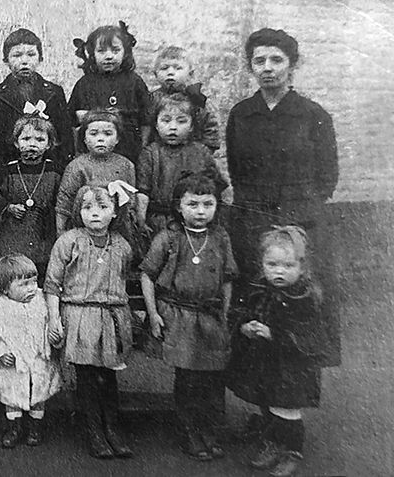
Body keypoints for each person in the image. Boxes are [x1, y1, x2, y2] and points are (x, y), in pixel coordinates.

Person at [225, 28, 339, 368]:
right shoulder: (242, 114)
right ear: (250, 66)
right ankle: (259, 395)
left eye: (276, 60)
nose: (268, 68)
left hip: (300, 221)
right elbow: (236, 170)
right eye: (259, 61)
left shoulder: (313, 114)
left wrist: (299, 208)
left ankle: (296, 396)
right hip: (253, 221)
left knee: (298, 303)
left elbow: (328, 175)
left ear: (292, 65)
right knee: (255, 304)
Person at [140, 175, 237, 461]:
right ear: (178, 207)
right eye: (192, 204)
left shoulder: (220, 237)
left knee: (212, 376)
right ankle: (189, 432)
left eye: (208, 204)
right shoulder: (169, 237)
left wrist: (225, 313)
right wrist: (153, 313)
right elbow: (147, 275)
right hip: (179, 316)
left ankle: (209, 430)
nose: (200, 211)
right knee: (189, 378)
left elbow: (227, 278)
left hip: (210, 316)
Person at [227, 226, 327, 477]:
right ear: (262, 264)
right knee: (269, 405)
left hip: (292, 370)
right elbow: (246, 313)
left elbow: (309, 336)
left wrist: (275, 334)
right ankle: (273, 443)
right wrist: (246, 327)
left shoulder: (304, 298)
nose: (279, 271)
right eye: (272, 265)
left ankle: (292, 451)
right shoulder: (261, 289)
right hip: (267, 364)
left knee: (287, 411)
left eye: (288, 266)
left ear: (302, 267)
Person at [45, 185, 135, 459]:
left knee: (108, 375)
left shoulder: (121, 245)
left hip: (111, 317)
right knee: (86, 376)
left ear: (114, 212)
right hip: (80, 316)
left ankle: (113, 429)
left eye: (103, 207)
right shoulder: (69, 241)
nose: (95, 213)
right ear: (78, 211)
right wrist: (54, 319)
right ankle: (94, 431)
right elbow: (52, 284)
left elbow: (124, 275)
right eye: (88, 208)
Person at [0, 254, 62, 448]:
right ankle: (14, 428)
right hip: (14, 362)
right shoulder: (2, 307)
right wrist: (0, 353)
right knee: (12, 394)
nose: (31, 288)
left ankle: (35, 427)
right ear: (5, 288)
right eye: (23, 284)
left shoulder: (41, 302)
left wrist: (54, 338)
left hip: (38, 359)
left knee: (38, 393)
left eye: (34, 282)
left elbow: (50, 325)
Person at [136, 92, 226, 234]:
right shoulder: (150, 153)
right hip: (159, 221)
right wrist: (141, 221)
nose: (173, 127)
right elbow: (142, 191)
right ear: (156, 125)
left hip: (194, 219)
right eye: (166, 120)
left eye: (181, 121)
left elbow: (215, 189)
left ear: (191, 126)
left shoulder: (201, 152)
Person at [0, 28, 74, 171]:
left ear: (40, 59)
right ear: (6, 61)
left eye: (31, 54)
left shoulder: (54, 92)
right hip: (10, 170)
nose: (24, 61)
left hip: (47, 169)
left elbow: (64, 137)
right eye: (17, 55)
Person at [0, 115, 63, 282]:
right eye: (26, 139)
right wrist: (8, 207)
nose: (32, 144)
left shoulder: (55, 171)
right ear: (17, 143)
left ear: (49, 144)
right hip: (14, 232)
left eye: (40, 140)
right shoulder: (7, 171)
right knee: (13, 273)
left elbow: (61, 199)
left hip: (43, 231)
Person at [70, 21, 150, 163]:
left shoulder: (134, 81)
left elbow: (146, 118)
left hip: (128, 148)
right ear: (92, 54)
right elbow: (71, 119)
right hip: (93, 150)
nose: (109, 56)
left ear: (125, 53)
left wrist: (143, 148)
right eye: (101, 51)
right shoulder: (85, 83)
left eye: (115, 50)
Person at [55, 111, 138, 237]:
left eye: (108, 134)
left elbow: (130, 203)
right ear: (84, 138)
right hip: (84, 229)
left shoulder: (126, 165)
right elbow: (64, 204)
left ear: (117, 139)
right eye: (93, 134)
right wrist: (61, 233)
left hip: (117, 230)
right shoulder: (77, 166)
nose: (100, 138)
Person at [146, 46, 220, 151]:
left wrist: (206, 150)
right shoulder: (151, 99)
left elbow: (210, 125)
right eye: (164, 68)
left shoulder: (196, 98)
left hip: (192, 152)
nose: (170, 72)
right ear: (155, 74)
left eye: (178, 68)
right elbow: (146, 126)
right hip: (159, 153)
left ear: (190, 74)